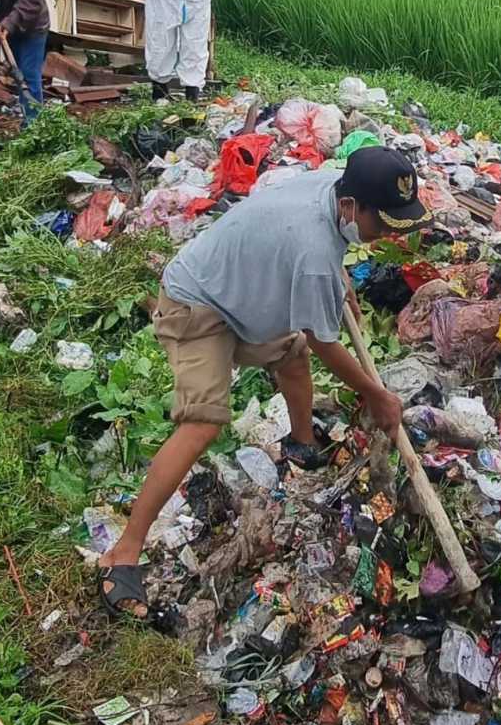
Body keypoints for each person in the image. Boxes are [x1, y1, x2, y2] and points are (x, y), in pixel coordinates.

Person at [98, 146, 433, 619]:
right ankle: (124, 552)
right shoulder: (315, 251)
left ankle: (301, 444)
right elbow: (326, 342)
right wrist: (375, 394)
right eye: (381, 225)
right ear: (351, 208)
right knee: (202, 424)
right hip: (196, 306)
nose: (380, 237)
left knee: (290, 353)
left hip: (242, 295)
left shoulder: (332, 187)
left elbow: (314, 283)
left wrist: (338, 277)